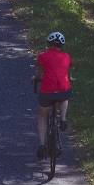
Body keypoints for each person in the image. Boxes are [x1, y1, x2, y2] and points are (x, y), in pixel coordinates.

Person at [34, 31, 73, 160]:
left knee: (42, 113)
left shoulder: (42, 56)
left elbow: (40, 75)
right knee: (65, 96)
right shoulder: (67, 57)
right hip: (63, 91)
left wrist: (36, 78)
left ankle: (41, 144)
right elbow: (66, 73)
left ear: (48, 44)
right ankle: (63, 118)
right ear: (62, 45)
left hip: (47, 91)